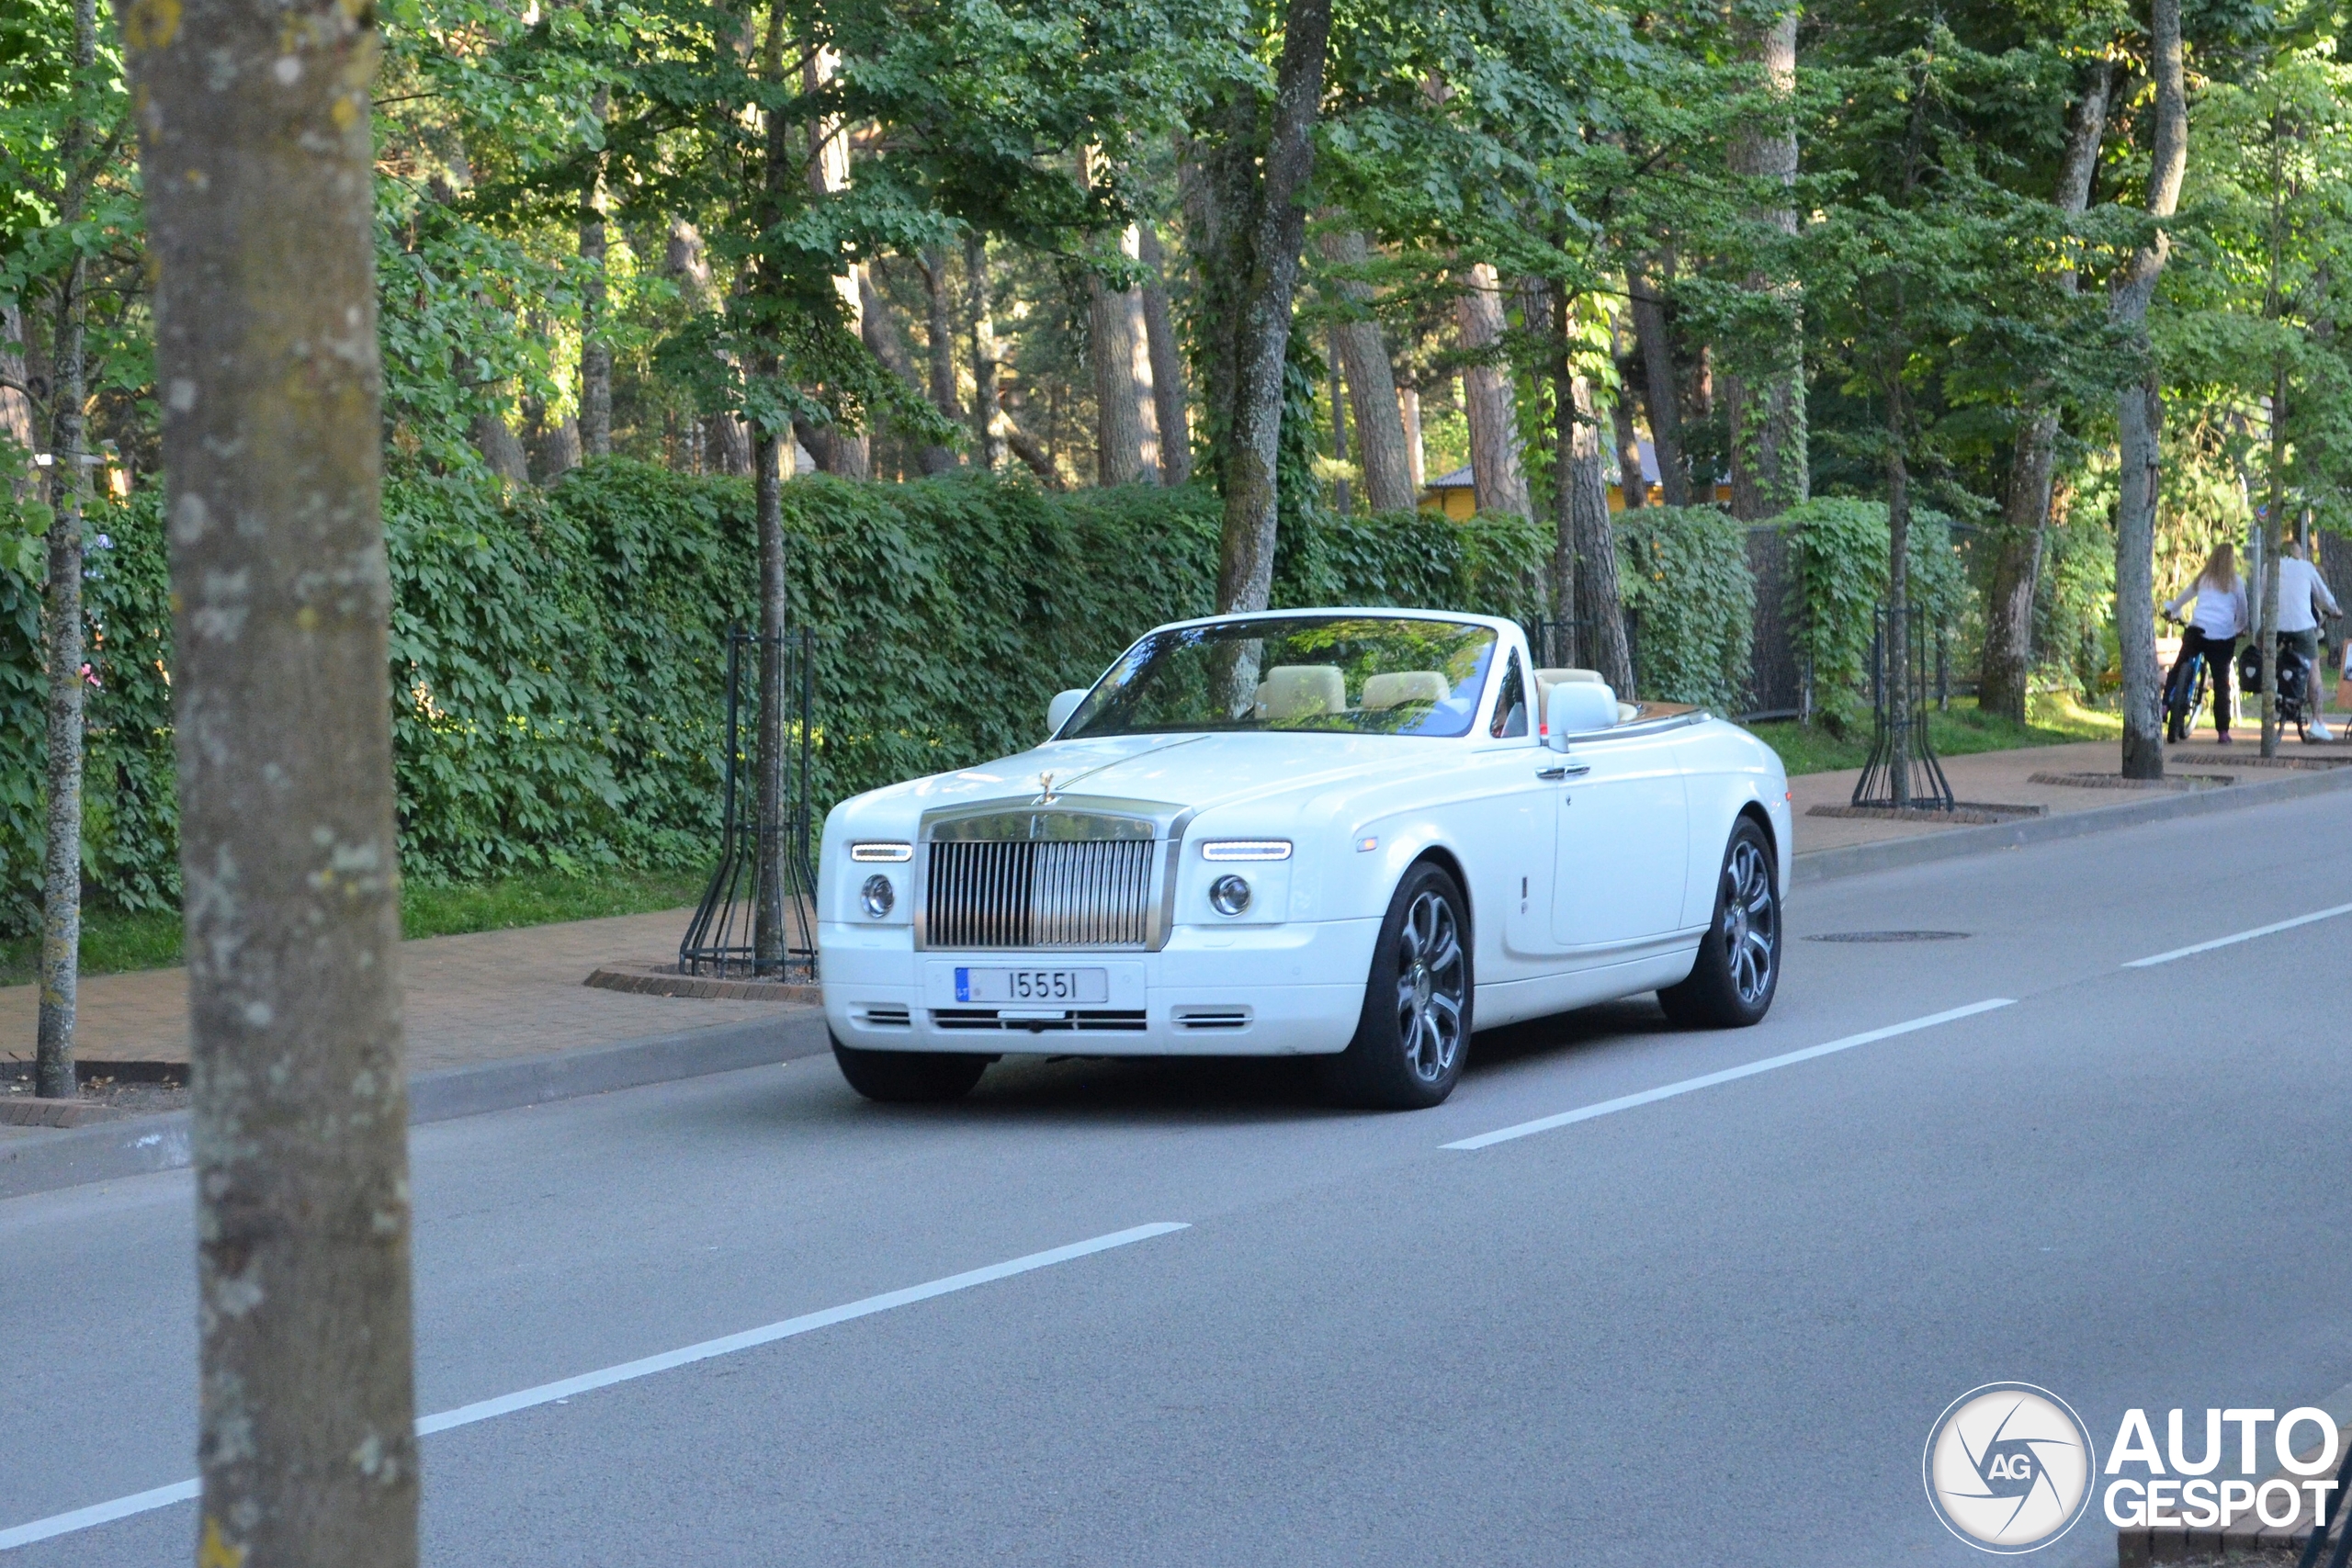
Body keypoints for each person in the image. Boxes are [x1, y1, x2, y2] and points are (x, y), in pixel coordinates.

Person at [2163, 542, 2247, 743]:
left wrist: (2172, 610)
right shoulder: (2236, 582)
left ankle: (2165, 704)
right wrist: (2239, 628)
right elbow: (2243, 612)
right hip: (2222, 637)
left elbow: (2183, 597)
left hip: (2197, 630)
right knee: (2221, 683)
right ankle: (2223, 732)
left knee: (2178, 667)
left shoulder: (2204, 578)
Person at [2274, 539, 2342, 741]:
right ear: (2299, 553)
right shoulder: (2306, 567)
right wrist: (2335, 610)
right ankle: (2318, 722)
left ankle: (2271, 692)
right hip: (2302, 627)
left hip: (2274, 627)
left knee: (2263, 653)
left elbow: (2264, 594)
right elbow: (2324, 595)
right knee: (2314, 669)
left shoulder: (2270, 565)